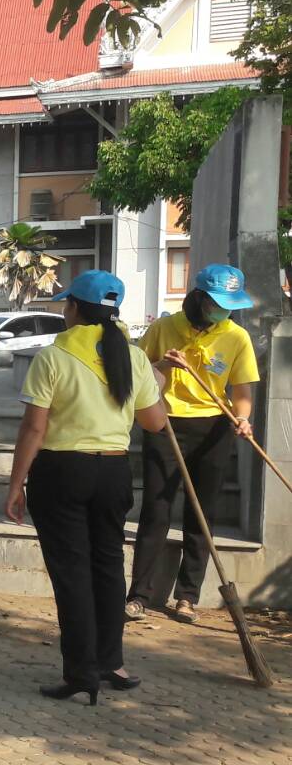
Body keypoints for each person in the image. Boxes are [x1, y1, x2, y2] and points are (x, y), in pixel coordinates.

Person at [5, 270, 167, 705]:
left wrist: (16, 483)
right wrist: (159, 384)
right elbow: (155, 422)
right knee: (109, 566)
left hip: (62, 472)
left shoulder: (53, 357)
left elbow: (34, 428)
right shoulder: (132, 358)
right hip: (114, 472)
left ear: (74, 308)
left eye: (66, 303)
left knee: (73, 574)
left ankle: (81, 674)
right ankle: (111, 662)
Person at [126, 263, 258, 624]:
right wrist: (164, 366)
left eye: (229, 304)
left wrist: (242, 418)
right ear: (198, 298)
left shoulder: (236, 336)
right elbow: (142, 377)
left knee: (201, 512)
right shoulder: (164, 328)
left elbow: (242, 390)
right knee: (157, 508)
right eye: (216, 303)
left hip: (214, 428)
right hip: (165, 423)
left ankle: (187, 596)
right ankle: (139, 594)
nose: (222, 310)